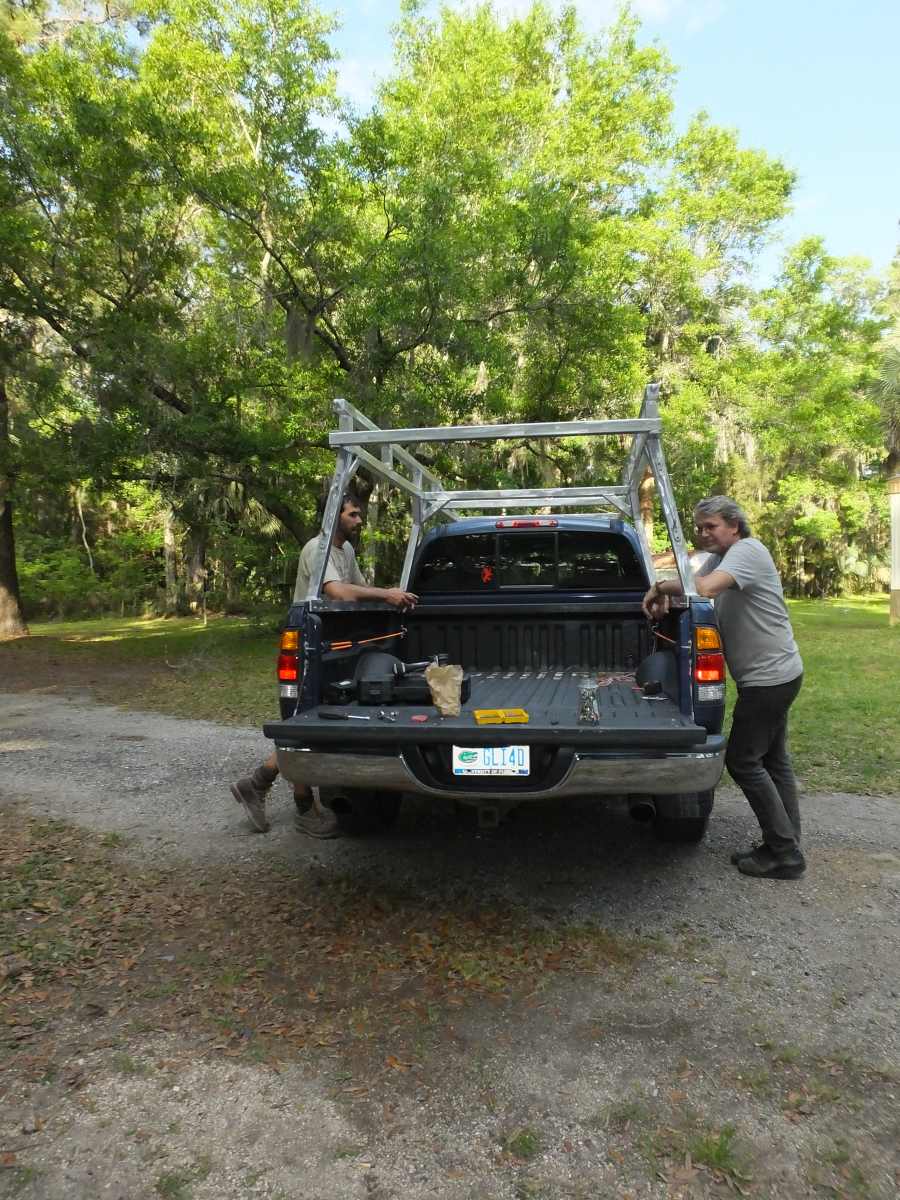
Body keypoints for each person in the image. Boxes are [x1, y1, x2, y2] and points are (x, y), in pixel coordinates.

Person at [230, 491, 418, 837]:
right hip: (307, 643)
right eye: (353, 515)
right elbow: (340, 593)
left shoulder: (344, 550)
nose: (359, 521)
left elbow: (359, 587)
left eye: (359, 514)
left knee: (316, 719)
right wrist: (387, 593)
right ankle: (303, 809)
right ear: (333, 516)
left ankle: (257, 783)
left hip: (333, 643)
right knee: (302, 722)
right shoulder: (317, 550)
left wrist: (393, 597)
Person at [643, 496, 805, 880]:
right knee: (773, 761)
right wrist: (670, 596)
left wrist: (658, 586)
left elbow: (706, 587)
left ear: (734, 525)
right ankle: (787, 841)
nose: (703, 533)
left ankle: (785, 854)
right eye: (699, 527)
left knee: (743, 762)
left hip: (769, 680)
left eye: (710, 526)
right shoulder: (725, 559)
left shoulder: (748, 551)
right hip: (776, 675)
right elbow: (698, 591)